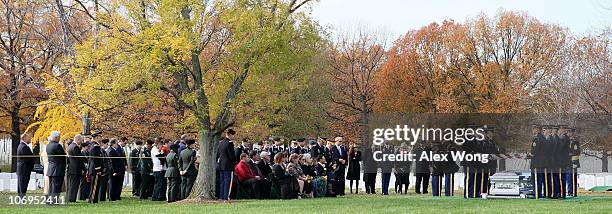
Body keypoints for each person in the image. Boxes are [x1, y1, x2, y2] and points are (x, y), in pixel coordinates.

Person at [46, 131, 67, 204]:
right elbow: (63, 157)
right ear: (56, 137)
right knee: (56, 186)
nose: (59, 139)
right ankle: (54, 201)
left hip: (51, 169)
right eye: (59, 137)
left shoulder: (48, 145)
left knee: (51, 186)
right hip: (57, 169)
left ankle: (49, 200)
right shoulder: (57, 146)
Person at [217, 129, 237, 201]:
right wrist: (234, 161)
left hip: (221, 164)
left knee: (222, 181)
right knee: (228, 182)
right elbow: (231, 156)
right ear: (230, 134)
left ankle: (221, 196)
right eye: (233, 135)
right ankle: (226, 197)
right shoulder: (229, 143)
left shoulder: (221, 143)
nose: (233, 136)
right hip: (228, 165)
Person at [67, 134, 86, 202]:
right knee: (74, 185)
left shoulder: (70, 146)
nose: (81, 141)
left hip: (71, 168)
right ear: (78, 139)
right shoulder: (75, 147)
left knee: (71, 184)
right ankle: (72, 199)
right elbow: (79, 159)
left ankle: (70, 198)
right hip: (76, 169)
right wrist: (84, 168)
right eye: (81, 140)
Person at [16, 132, 35, 198]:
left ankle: (21, 198)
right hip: (24, 169)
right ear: (25, 138)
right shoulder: (23, 147)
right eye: (29, 138)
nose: (30, 139)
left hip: (23, 169)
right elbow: (28, 159)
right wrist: (32, 164)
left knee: (21, 185)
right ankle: (21, 199)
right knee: (22, 185)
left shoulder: (22, 146)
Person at [568, 127, 580, 197]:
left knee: (572, 177)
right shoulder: (568, 141)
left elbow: (576, 152)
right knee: (569, 177)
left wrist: (570, 154)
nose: (570, 134)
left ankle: (573, 192)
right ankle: (570, 191)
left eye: (571, 132)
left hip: (573, 161)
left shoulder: (575, 142)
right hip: (568, 161)